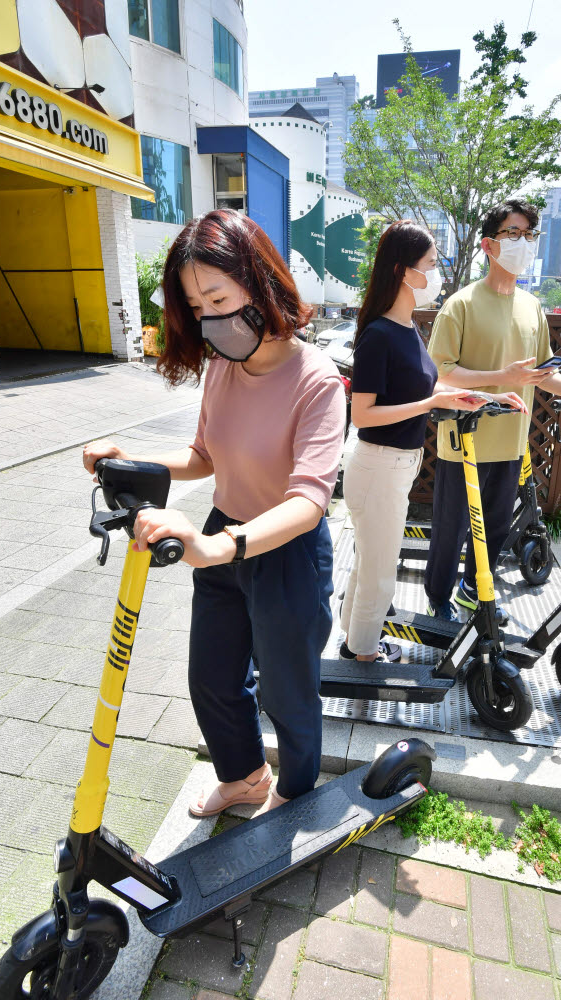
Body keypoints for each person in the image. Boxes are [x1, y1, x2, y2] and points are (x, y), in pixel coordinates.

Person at [83, 210, 346, 816]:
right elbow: (204, 455)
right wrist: (133, 458)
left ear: (260, 281)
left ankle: (296, 794)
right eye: (196, 306)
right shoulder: (225, 368)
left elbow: (309, 502)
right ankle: (246, 778)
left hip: (285, 555)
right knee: (213, 679)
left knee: (289, 692)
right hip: (222, 538)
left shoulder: (317, 381)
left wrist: (219, 547)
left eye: (218, 297)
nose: (209, 317)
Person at [424, 198, 561, 621]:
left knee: (496, 529)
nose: (525, 242)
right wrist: (502, 375)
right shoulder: (460, 304)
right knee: (450, 530)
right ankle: (437, 600)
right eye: (513, 233)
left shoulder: (531, 305)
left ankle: (470, 592)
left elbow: (541, 374)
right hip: (464, 441)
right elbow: (438, 374)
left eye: (530, 234)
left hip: (511, 441)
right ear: (488, 245)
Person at [339, 220, 525, 664]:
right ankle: (363, 654)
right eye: (430, 263)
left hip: (394, 465)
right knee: (379, 574)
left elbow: (430, 388)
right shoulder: (379, 334)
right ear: (404, 272)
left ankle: (353, 638)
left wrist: (482, 397)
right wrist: (431, 403)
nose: (437, 272)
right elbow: (362, 415)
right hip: (378, 462)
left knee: (370, 564)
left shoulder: (407, 329)